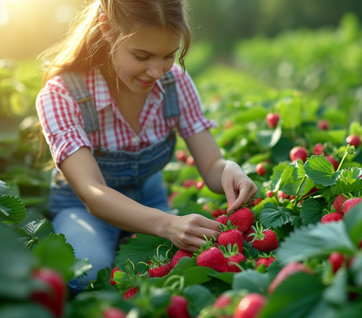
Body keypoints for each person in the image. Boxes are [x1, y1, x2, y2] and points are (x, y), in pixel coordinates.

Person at [35, 0, 257, 294]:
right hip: (83, 208)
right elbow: (92, 192)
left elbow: (212, 165)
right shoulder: (63, 94)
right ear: (106, 29)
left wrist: (230, 170)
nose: (156, 71)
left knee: (179, 268)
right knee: (88, 270)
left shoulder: (175, 83)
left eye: (168, 55)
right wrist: (168, 225)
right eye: (142, 55)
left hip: (150, 197)